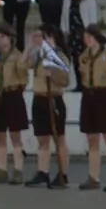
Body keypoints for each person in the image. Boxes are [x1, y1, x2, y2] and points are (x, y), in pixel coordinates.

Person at [76, 24, 106, 192]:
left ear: (97, 38)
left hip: (105, 95)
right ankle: (93, 177)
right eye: (85, 37)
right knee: (91, 137)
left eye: (90, 37)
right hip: (89, 95)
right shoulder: (83, 57)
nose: (87, 40)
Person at [0, 23, 31, 185]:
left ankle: (18, 170)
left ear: (10, 38)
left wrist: (15, 88)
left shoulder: (18, 56)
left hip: (13, 94)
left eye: (2, 37)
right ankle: (1, 169)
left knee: (15, 135)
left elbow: (24, 78)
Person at [25, 24, 71, 188]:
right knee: (42, 138)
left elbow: (65, 81)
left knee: (59, 138)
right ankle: (42, 172)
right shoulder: (38, 56)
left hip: (54, 99)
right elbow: (23, 64)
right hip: (39, 98)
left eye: (44, 37)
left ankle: (62, 173)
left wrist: (52, 74)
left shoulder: (59, 57)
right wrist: (30, 46)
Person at [62, 0, 99, 90]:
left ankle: (88, 82)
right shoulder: (67, 0)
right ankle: (79, 83)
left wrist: (92, 32)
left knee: (87, 58)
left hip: (85, 33)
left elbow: (93, 16)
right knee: (76, 59)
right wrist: (65, 32)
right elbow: (64, 17)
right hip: (73, 34)